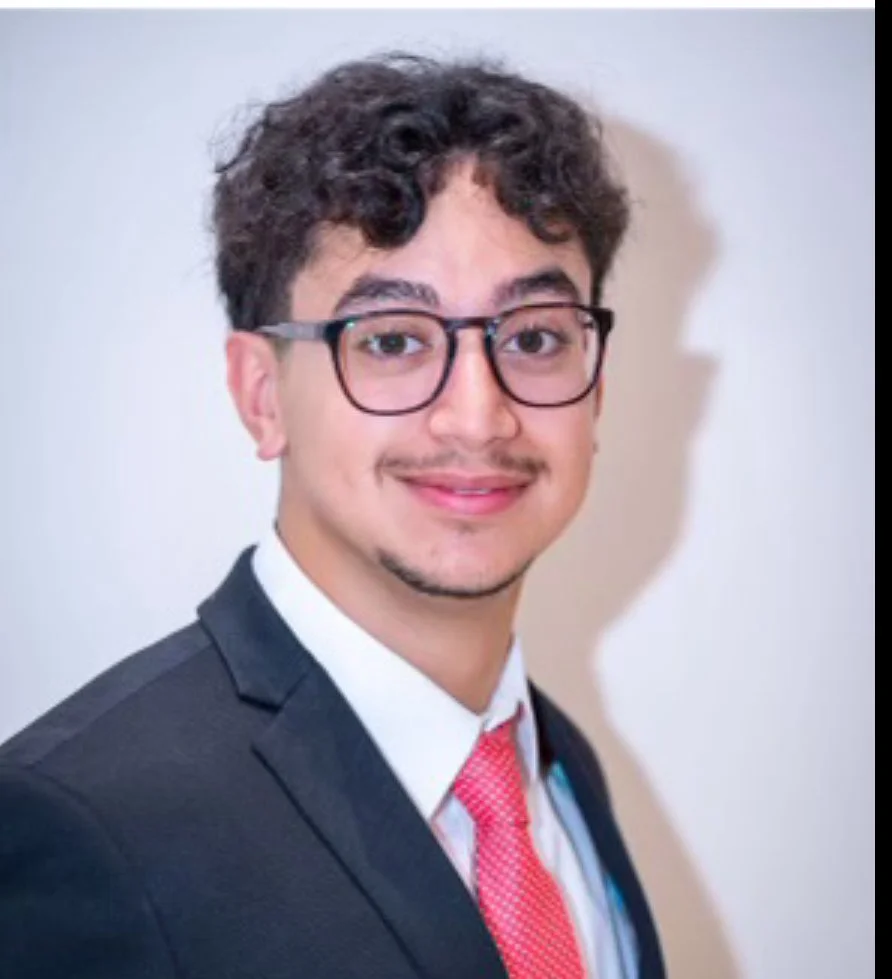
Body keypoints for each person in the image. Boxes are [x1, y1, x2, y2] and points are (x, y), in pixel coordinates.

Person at [0, 54, 665, 979]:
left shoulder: (559, 765)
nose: (478, 414)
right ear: (261, 393)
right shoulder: (85, 823)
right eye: (392, 339)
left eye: (537, 338)